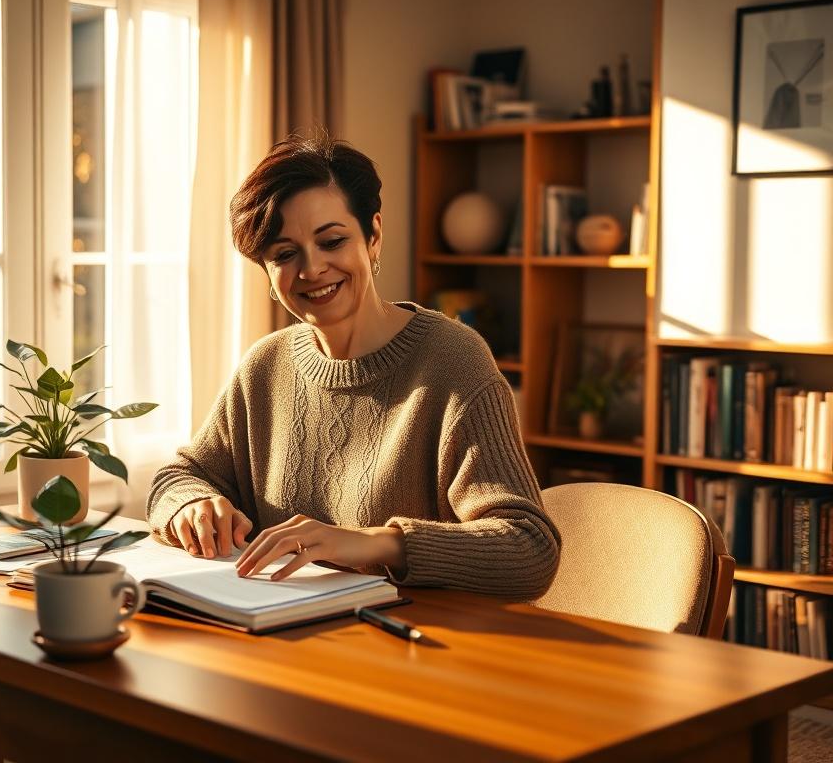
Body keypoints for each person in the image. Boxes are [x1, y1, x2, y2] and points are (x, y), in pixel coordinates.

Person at [146, 132, 560, 599]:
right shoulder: (265, 367)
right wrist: (192, 504)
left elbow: (530, 550)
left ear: (374, 236)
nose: (311, 269)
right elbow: (177, 477)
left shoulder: (453, 362)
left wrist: (374, 543)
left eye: (332, 241)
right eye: (284, 254)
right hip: (280, 641)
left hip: (408, 652)